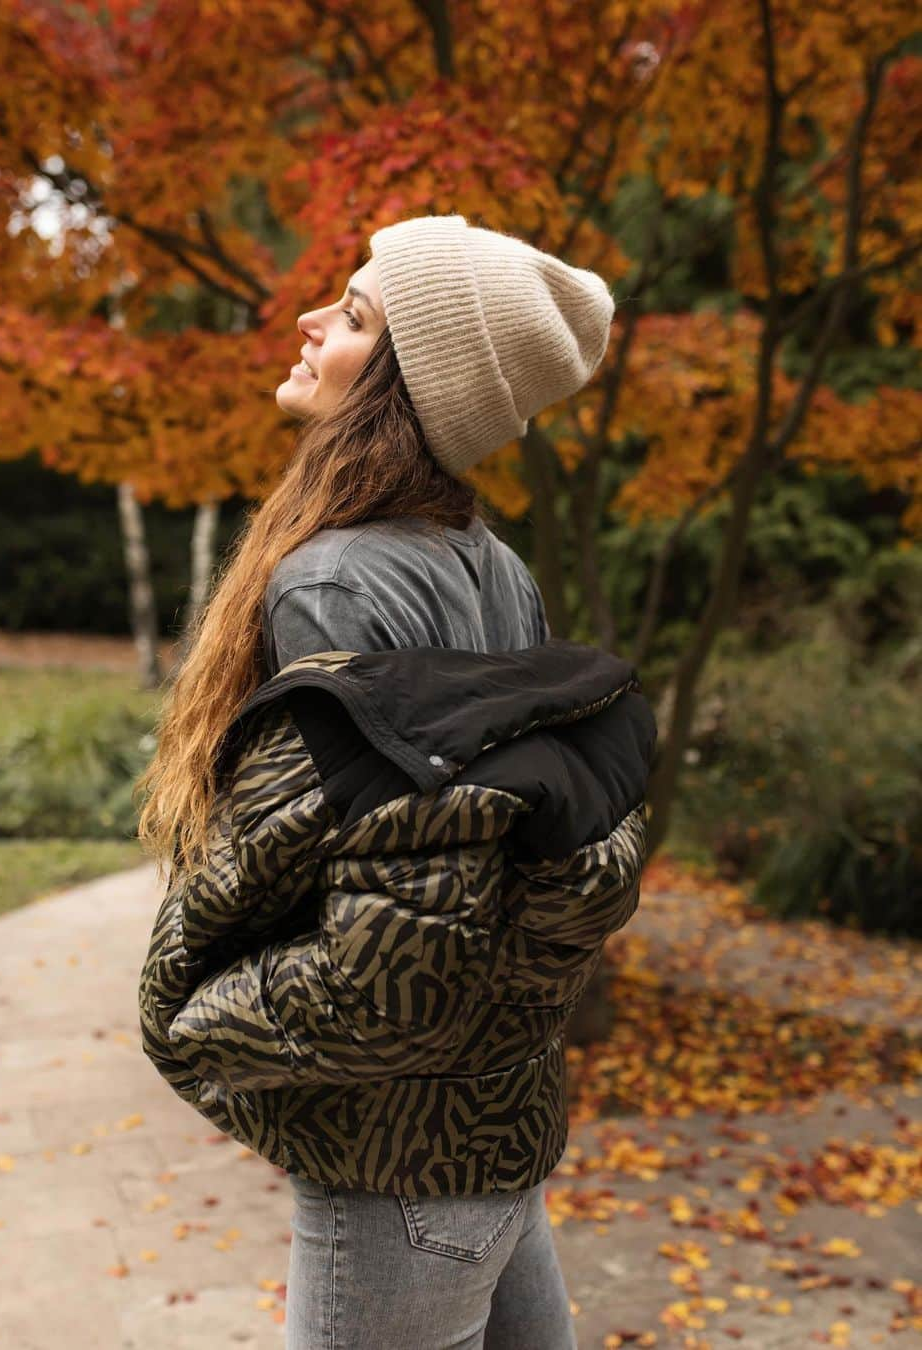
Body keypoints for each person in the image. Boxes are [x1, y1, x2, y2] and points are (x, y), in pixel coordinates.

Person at [136, 214, 636, 1348]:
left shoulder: (335, 580)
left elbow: (396, 954)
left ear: (410, 388)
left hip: (401, 1164)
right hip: (494, 1134)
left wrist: (208, 1024)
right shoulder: (494, 566)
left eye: (355, 316)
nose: (312, 321)